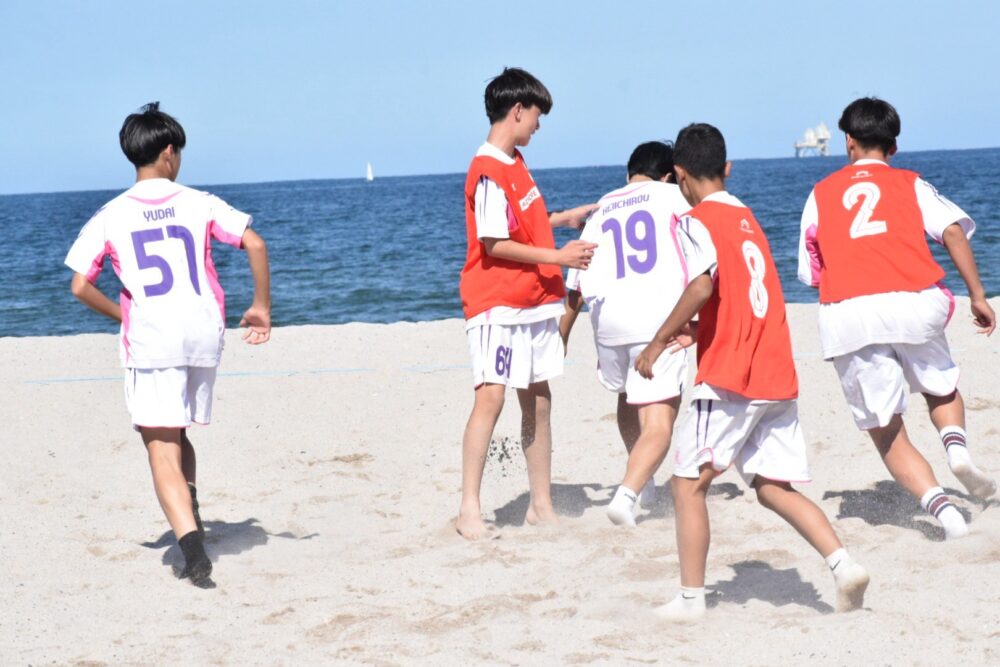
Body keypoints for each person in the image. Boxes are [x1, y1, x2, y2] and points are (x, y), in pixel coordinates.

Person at [635, 123, 869, 622]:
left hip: (730, 377)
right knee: (772, 487)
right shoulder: (747, 216)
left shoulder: (694, 220)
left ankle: (690, 600)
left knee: (686, 485)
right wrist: (698, 331)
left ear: (679, 175)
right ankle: (843, 564)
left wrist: (657, 341)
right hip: (774, 370)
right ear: (727, 168)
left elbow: (701, 286)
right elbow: (743, 295)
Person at [65, 102, 272, 585]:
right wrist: (261, 307)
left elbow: (79, 286)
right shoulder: (200, 202)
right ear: (169, 152)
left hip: (154, 339)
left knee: (159, 446)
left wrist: (124, 314)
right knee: (177, 432)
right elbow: (255, 244)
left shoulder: (111, 214)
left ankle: (193, 551)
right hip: (203, 333)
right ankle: (190, 506)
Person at [798, 97, 997, 540]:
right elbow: (952, 232)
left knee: (886, 428)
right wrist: (977, 296)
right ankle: (957, 450)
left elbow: (811, 272)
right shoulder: (911, 183)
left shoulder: (820, 193)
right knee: (940, 385)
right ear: (893, 147)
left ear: (848, 141)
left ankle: (944, 513)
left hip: (850, 312)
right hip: (913, 301)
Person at [457, 68, 598, 540]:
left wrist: (563, 219)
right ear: (517, 110)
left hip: (534, 301)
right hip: (497, 303)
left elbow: (520, 224)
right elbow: (493, 242)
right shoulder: (488, 169)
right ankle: (469, 510)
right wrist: (559, 257)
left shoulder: (515, 161)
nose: (538, 125)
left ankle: (541, 504)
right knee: (491, 398)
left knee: (538, 399)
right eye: (537, 115)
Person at [560, 141, 692, 526]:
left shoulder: (603, 206)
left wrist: (561, 337)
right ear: (668, 175)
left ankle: (643, 477)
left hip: (608, 322)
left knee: (627, 395)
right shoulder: (674, 197)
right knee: (660, 422)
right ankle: (626, 495)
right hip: (656, 321)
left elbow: (576, 284)